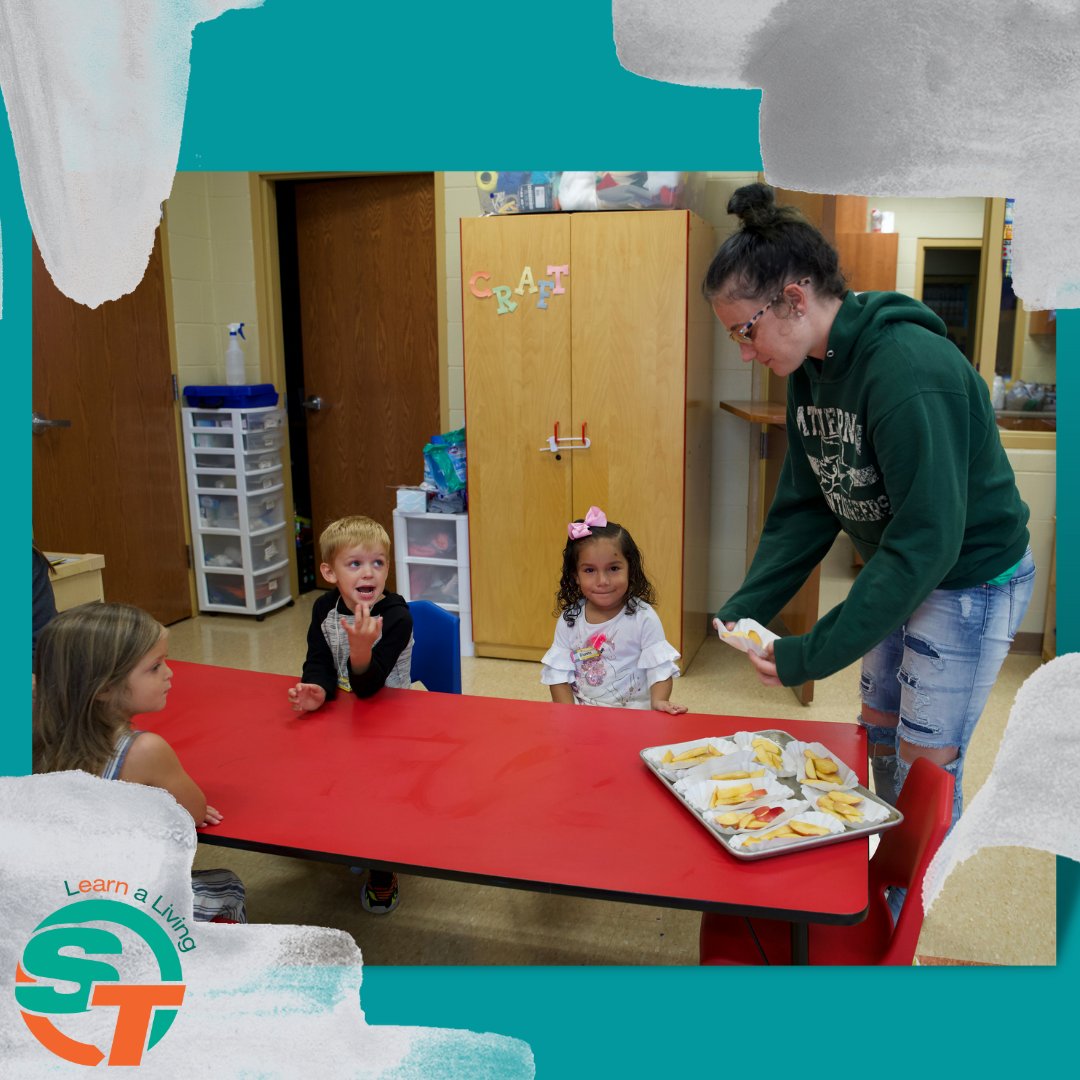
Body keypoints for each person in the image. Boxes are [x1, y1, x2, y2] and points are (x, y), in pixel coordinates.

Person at [705, 182, 1035, 828]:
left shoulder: (908, 371)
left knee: (924, 762)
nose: (746, 352)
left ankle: (906, 911)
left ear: (794, 299)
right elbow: (806, 502)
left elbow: (928, 541)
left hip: (969, 576)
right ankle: (881, 863)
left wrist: (810, 652)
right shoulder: (810, 370)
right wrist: (749, 605)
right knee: (878, 724)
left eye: (747, 331)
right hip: (904, 561)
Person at [32, 602, 246, 923]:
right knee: (229, 885)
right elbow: (196, 812)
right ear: (104, 688)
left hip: (49, 898)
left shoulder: (34, 738)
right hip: (121, 908)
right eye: (155, 667)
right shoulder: (143, 750)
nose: (169, 673)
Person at [287, 514, 413, 914]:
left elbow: (369, 685)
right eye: (354, 564)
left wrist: (360, 648)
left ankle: (382, 867)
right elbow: (319, 660)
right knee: (316, 771)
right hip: (343, 715)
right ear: (329, 571)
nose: (368, 572)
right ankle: (338, 833)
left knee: (378, 795)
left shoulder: (395, 615)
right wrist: (317, 690)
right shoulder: (325, 608)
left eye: (378, 563)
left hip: (388, 717)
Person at [541, 506, 688, 713]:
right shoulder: (569, 619)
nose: (603, 581)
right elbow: (559, 674)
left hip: (633, 718)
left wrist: (659, 701)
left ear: (630, 569)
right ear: (576, 575)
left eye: (614, 568)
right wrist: (571, 716)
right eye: (590, 570)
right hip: (583, 716)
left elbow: (659, 667)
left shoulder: (643, 617)